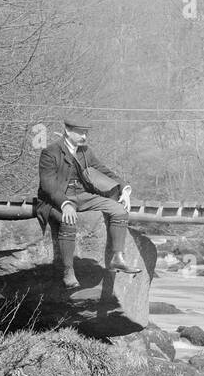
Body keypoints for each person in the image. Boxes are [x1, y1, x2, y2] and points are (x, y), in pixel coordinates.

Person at [35, 116, 141, 294]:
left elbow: (103, 170)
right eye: (80, 132)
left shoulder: (85, 151)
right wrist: (65, 204)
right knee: (68, 219)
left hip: (82, 195)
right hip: (56, 198)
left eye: (86, 133)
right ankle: (68, 270)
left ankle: (117, 258)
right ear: (68, 131)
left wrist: (125, 189)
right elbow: (48, 186)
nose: (84, 136)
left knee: (119, 210)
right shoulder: (50, 152)